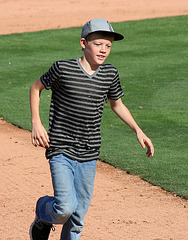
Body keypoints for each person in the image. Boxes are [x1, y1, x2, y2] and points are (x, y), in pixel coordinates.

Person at [29, 18, 154, 240]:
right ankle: (42, 211)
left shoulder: (110, 74)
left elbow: (117, 104)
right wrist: (36, 123)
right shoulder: (63, 68)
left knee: (77, 216)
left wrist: (138, 130)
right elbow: (36, 87)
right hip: (61, 149)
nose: (104, 50)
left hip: (89, 153)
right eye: (98, 44)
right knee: (64, 208)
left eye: (108, 45)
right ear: (84, 43)